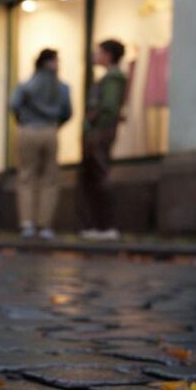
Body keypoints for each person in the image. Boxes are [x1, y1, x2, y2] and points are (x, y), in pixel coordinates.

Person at [10, 48, 73, 240]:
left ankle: (27, 223)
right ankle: (44, 225)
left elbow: (13, 104)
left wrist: (23, 120)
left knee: (26, 176)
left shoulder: (26, 85)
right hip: (50, 130)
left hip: (27, 130)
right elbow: (67, 112)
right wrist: (55, 124)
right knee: (50, 178)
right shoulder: (61, 87)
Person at [80, 39, 128, 241]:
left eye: (99, 52)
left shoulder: (113, 78)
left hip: (100, 133)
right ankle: (99, 225)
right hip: (99, 132)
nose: (96, 56)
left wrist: (94, 126)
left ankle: (106, 225)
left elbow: (109, 107)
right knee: (94, 177)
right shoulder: (110, 78)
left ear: (108, 55)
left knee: (100, 176)